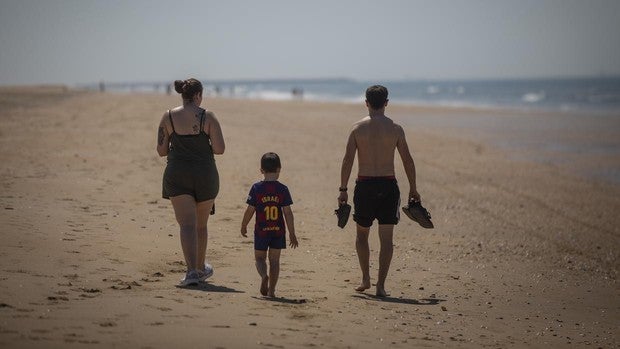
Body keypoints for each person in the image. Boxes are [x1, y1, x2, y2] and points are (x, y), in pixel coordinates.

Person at [338, 85, 421, 297]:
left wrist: (343, 189)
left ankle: (365, 278)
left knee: (361, 235)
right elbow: (407, 160)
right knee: (386, 239)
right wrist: (413, 188)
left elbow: (348, 160)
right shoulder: (396, 129)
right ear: (386, 103)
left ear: (366, 102)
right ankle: (380, 286)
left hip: (364, 185)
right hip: (388, 186)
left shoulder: (357, 129)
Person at [156, 78, 225, 286]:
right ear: (198, 96)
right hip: (205, 174)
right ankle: (201, 267)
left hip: (177, 174)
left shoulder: (168, 116)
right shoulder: (208, 116)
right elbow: (220, 149)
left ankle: (192, 272)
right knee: (201, 225)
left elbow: (161, 151)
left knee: (186, 224)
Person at [240, 152, 299, 297]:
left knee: (260, 258)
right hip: (278, 232)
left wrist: (243, 224)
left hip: (261, 231)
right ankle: (272, 291)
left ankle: (263, 276)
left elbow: (250, 210)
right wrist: (292, 233)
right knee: (275, 261)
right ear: (279, 169)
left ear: (261, 170)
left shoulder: (256, 188)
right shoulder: (283, 189)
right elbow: (288, 213)